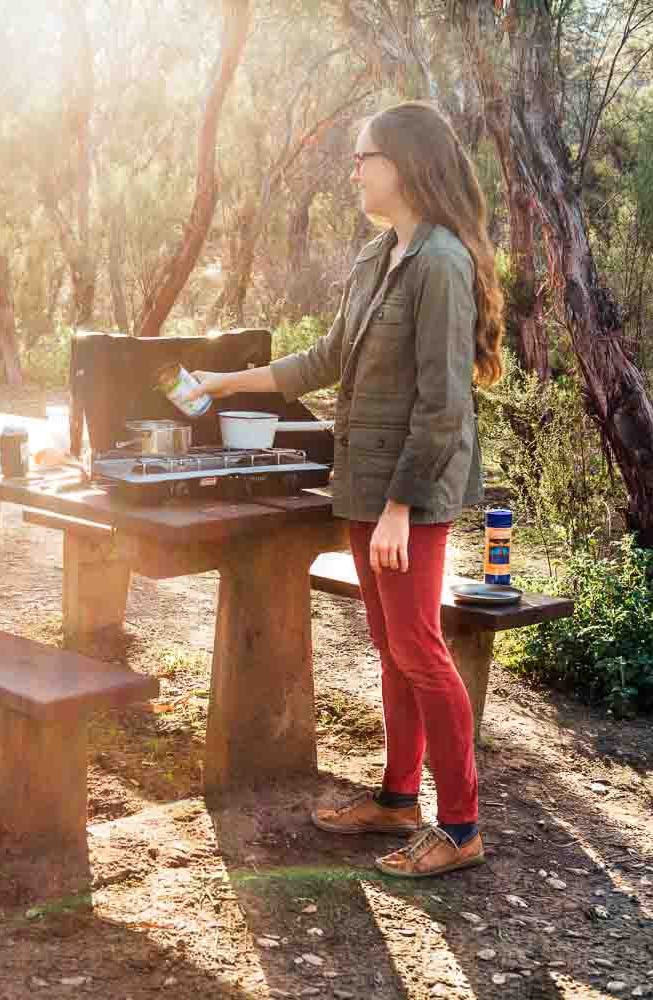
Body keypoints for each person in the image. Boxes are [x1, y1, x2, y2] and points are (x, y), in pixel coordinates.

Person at [188, 102, 504, 877]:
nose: (354, 169)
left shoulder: (441, 263)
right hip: (361, 482)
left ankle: (461, 826)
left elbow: (444, 402)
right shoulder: (377, 257)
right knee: (390, 646)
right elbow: (327, 356)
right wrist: (230, 381)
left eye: (364, 156)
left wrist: (402, 505)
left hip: (411, 493)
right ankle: (398, 798)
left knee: (420, 649)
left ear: (402, 164)